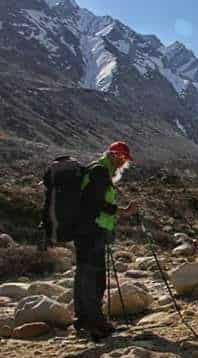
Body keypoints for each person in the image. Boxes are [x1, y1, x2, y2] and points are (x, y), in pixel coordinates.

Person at [73, 141, 136, 340]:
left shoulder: (97, 170)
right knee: (95, 278)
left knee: (83, 275)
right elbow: (97, 202)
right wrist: (123, 211)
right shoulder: (100, 171)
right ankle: (96, 323)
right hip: (93, 230)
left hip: (84, 230)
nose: (123, 163)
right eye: (123, 158)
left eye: (125, 160)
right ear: (114, 154)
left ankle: (83, 319)